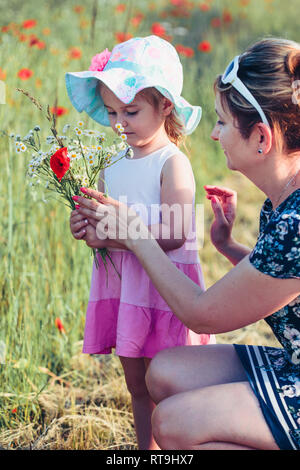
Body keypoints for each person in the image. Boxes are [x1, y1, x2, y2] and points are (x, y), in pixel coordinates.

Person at [74, 37, 300, 450]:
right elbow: (285, 279)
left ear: (262, 138)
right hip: (293, 363)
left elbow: (203, 315)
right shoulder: (281, 204)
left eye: (222, 122)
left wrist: (132, 234)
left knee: (174, 424)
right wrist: (229, 247)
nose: (214, 134)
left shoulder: (295, 219)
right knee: (161, 373)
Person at [65, 35, 214, 450]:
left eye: (131, 111)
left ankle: (179, 446)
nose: (119, 123)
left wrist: (121, 231)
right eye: (111, 112)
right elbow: (104, 231)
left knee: (168, 380)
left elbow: (174, 232)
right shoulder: (111, 163)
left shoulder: (173, 163)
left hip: (165, 289)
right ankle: (144, 450)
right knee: (136, 385)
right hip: (126, 285)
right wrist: (88, 231)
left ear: (165, 106)